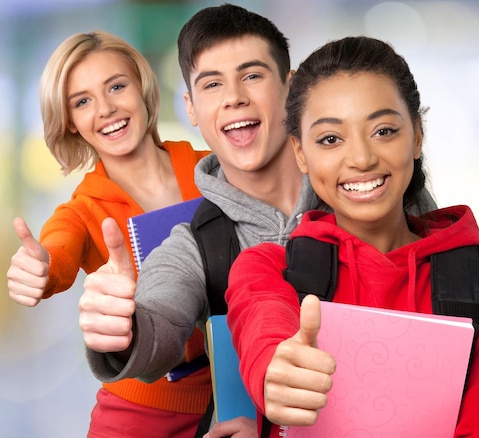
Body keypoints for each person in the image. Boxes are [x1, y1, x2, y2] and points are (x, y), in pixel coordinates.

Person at [78, 5, 437, 437]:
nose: (234, 97)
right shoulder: (195, 245)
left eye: (252, 75)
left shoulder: (371, 189)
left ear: (290, 87)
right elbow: (160, 323)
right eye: (212, 84)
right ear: (190, 108)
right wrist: (123, 328)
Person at [224, 36, 479, 437]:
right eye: (330, 139)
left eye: (383, 130)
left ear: (417, 136)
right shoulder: (268, 270)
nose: (362, 158)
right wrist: (277, 371)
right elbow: (265, 323)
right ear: (300, 154)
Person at [5, 31, 212, 438]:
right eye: (82, 102)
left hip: (238, 401)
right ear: (70, 122)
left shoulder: (214, 172)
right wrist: (40, 268)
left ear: (142, 86)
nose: (106, 109)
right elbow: (56, 253)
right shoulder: (82, 212)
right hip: (138, 417)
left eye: (116, 86)